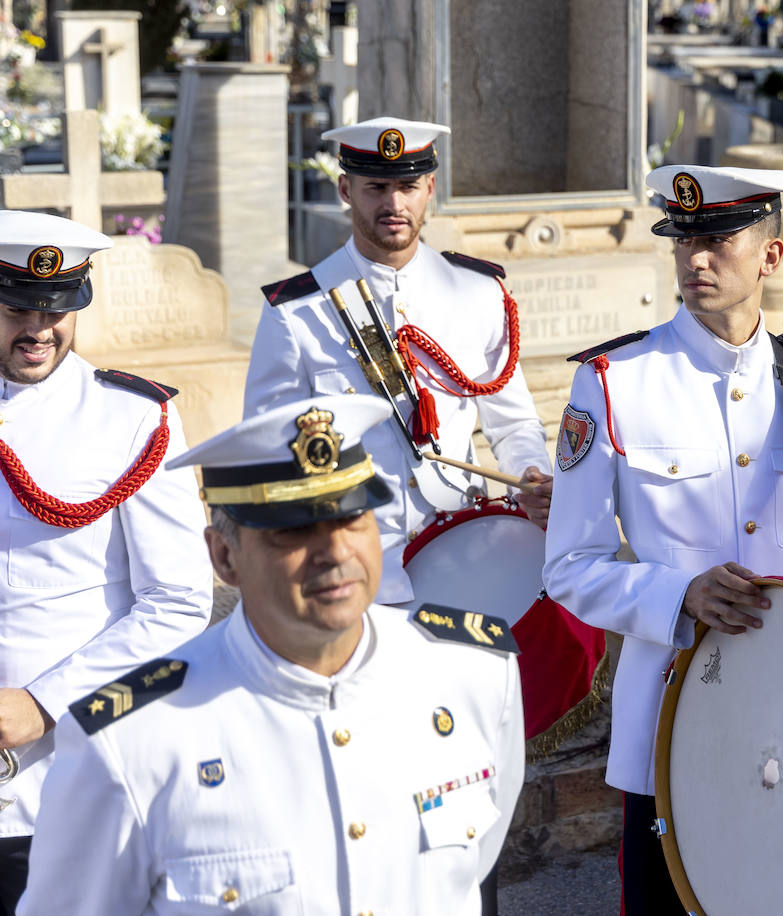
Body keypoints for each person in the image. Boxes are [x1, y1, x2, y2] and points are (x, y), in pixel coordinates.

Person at [20, 395, 524, 915]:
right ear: (223, 556)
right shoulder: (130, 740)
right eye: (294, 531)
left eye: (354, 519)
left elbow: (469, 874)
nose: (336, 552)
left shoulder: (476, 672)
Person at [542, 165, 783, 915]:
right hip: (673, 719)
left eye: (717, 239)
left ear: (771, 257)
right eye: (684, 240)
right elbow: (569, 568)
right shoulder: (615, 381)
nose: (695, 259)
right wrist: (677, 592)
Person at [245, 117, 553, 607]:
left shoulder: (478, 292)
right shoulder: (296, 311)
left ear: (430, 188)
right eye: (376, 188)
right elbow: (270, 450)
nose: (393, 204)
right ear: (346, 189)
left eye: (408, 186)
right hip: (359, 566)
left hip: (470, 555)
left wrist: (532, 477)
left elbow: (513, 423)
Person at [0, 210, 211, 912]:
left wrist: (42, 705)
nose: (37, 327)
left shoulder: (130, 418)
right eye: (15, 306)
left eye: (56, 308)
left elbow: (178, 603)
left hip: (63, 776)